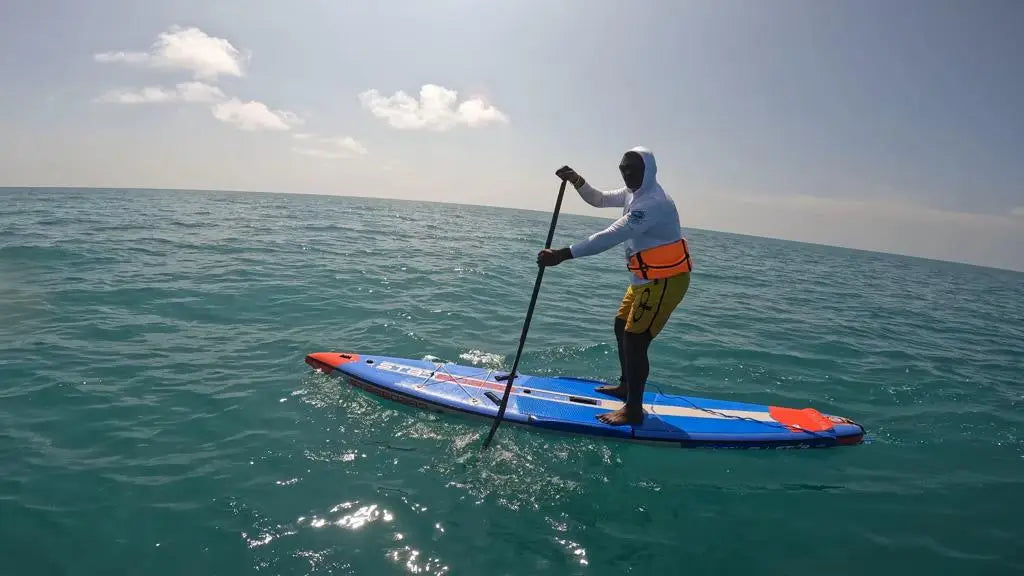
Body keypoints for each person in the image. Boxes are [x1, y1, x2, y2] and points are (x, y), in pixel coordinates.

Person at [537, 146, 692, 426]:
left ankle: (633, 409)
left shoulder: (653, 203)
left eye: (632, 169)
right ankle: (625, 386)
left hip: (665, 282)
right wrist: (576, 180)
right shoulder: (633, 193)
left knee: (636, 340)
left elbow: (610, 236)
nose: (627, 174)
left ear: (649, 171)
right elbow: (597, 199)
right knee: (622, 326)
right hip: (644, 280)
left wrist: (561, 254)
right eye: (623, 169)